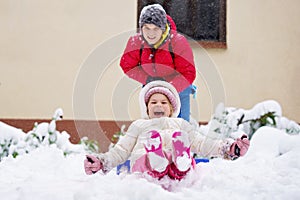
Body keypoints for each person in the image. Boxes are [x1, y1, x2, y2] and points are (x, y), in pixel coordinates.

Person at [84, 81, 250, 182]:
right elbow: (121, 151)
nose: (158, 105)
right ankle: (156, 159)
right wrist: (102, 161)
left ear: (172, 109)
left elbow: (201, 144)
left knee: (181, 140)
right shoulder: (139, 125)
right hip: (144, 165)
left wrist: (228, 148)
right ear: (146, 108)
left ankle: (180, 162)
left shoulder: (180, 124)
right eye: (153, 102)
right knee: (148, 150)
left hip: (174, 166)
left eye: (164, 102)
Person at [119, 4, 196, 122]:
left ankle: (183, 137)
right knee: (153, 122)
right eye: (147, 28)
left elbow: (188, 72)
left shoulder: (177, 42)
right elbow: (127, 65)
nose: (151, 33)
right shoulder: (136, 42)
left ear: (163, 28)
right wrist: (147, 79)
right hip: (152, 84)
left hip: (178, 86)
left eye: (155, 29)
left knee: (179, 124)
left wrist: (169, 86)